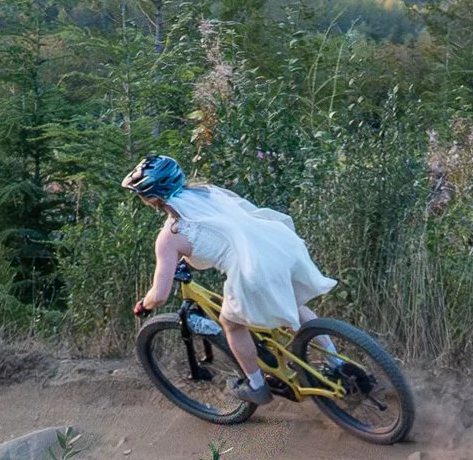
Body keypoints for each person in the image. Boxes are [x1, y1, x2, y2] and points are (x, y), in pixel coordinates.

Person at [124, 154, 336, 406]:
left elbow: (159, 295)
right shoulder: (207, 193)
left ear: (152, 198)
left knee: (231, 324)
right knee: (296, 306)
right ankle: (338, 363)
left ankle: (257, 385)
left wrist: (144, 305)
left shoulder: (170, 237)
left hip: (253, 268)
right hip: (280, 247)